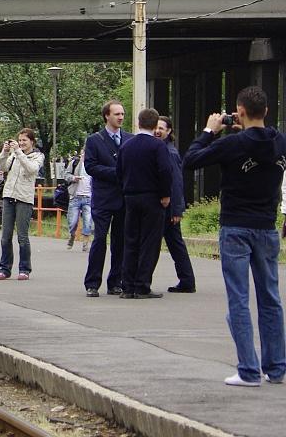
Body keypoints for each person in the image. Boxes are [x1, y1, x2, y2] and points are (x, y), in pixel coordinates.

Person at [183, 86, 286, 387]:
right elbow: (264, 141)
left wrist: (208, 131)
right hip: (267, 228)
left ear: (239, 111)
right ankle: (276, 369)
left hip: (236, 228)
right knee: (271, 299)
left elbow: (190, 160)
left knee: (239, 299)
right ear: (266, 111)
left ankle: (248, 371)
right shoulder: (280, 141)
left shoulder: (233, 143)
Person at [117, 108, 174, 299]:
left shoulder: (126, 146)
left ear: (138, 124)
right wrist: (165, 194)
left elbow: (119, 172)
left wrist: (125, 190)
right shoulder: (158, 146)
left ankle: (127, 286)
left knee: (131, 241)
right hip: (152, 198)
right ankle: (142, 285)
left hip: (130, 198)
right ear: (155, 124)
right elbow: (166, 170)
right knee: (149, 242)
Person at [84, 101, 129, 298]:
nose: (120, 117)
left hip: (123, 198)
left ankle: (115, 281)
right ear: (106, 116)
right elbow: (90, 167)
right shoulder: (94, 140)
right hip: (103, 198)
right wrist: (116, 173)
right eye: (116, 114)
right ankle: (93, 282)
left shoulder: (129, 139)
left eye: (122, 114)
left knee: (120, 241)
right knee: (100, 239)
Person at [0, 128, 44, 281]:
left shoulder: (38, 156)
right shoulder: (14, 155)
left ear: (32, 142)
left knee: (22, 236)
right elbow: (2, 167)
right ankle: (5, 268)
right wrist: (5, 152)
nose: (22, 143)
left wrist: (19, 152)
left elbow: (31, 169)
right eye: (20, 140)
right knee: (5, 236)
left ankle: (24, 268)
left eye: (25, 140)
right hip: (9, 196)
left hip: (24, 198)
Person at [155, 116, 196, 293]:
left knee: (171, 245)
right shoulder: (162, 149)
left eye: (161, 128)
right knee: (175, 244)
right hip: (168, 206)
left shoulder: (169, 152)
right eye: (156, 127)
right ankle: (187, 280)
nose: (157, 131)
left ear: (169, 131)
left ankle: (187, 280)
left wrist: (177, 209)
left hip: (169, 208)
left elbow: (177, 183)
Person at [65, 145, 93, 251]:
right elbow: (66, 175)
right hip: (75, 196)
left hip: (89, 197)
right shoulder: (75, 163)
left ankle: (85, 242)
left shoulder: (94, 164)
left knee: (88, 220)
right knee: (72, 221)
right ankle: (72, 235)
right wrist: (73, 178)